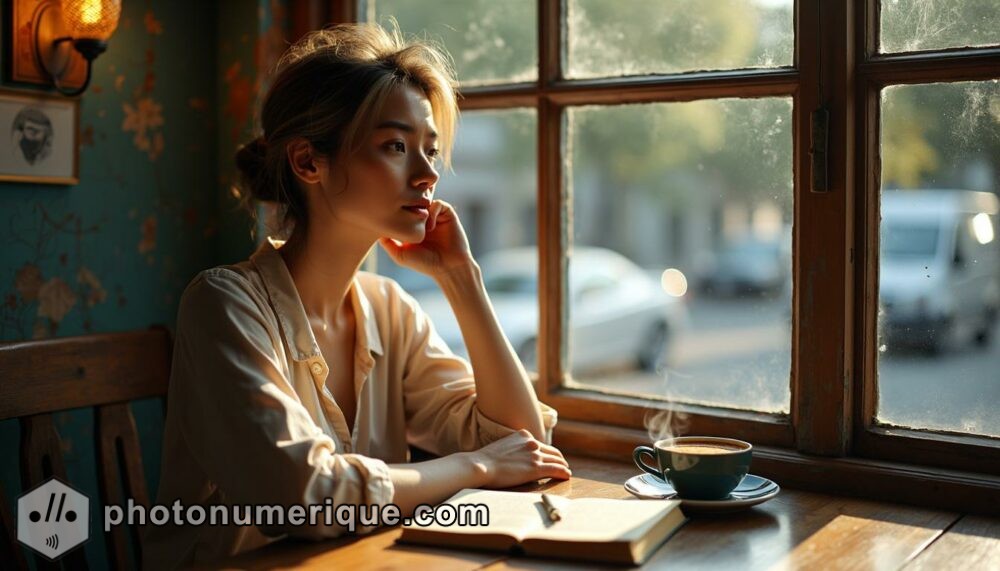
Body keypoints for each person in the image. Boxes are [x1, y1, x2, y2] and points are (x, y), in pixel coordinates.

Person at [142, 23, 570, 570]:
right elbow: (301, 497)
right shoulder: (224, 306)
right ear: (308, 162)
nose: (427, 174)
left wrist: (463, 282)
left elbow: (523, 443)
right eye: (395, 146)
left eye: (430, 150)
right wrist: (478, 468)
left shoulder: (389, 308)